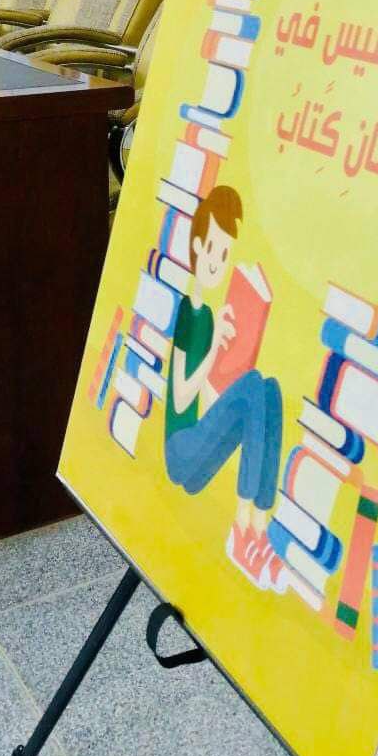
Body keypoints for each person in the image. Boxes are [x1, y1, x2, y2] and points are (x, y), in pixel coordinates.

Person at [164, 185, 284, 588]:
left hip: (199, 447)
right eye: (213, 250)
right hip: (181, 453)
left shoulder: (211, 317)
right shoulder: (190, 313)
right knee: (253, 386)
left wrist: (233, 357)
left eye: (225, 254)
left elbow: (209, 399)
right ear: (198, 246)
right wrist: (216, 348)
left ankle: (259, 530)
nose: (217, 262)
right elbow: (182, 395)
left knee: (268, 389)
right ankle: (240, 527)